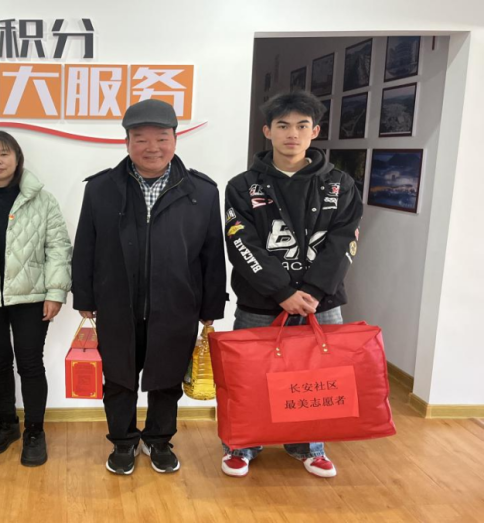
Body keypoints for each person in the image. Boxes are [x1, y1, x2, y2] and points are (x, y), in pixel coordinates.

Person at [72, 99, 227, 475]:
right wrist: (84, 296)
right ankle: (123, 442)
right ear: (126, 142)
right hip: (116, 304)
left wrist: (211, 308)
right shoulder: (101, 188)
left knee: (166, 379)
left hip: (176, 305)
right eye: (140, 138)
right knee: (119, 379)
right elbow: (85, 246)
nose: (152, 147)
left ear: (175, 139)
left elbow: (212, 253)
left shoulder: (202, 191)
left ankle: (159, 440)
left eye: (161, 137)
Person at [220, 91, 363, 479]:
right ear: (267, 131)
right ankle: (242, 445)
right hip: (260, 302)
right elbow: (241, 242)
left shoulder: (340, 184)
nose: (292, 134)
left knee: (317, 377)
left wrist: (313, 291)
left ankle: (310, 446)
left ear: (314, 131)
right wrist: (282, 291)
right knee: (250, 376)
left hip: (322, 302)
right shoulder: (242, 185)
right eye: (282, 126)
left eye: (302, 126)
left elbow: (344, 241)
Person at [0, 131, 72, 467]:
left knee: (30, 363)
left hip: (31, 297)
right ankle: (7, 424)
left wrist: (55, 292)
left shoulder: (42, 200)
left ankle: (35, 430)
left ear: (17, 158)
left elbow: (58, 247)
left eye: (4, 154)